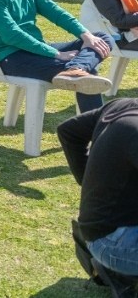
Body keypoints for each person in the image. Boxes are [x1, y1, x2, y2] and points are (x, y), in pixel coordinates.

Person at [58, 99, 138, 284]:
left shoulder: (124, 105)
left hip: (98, 232)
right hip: (114, 242)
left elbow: (68, 131)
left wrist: (88, 183)